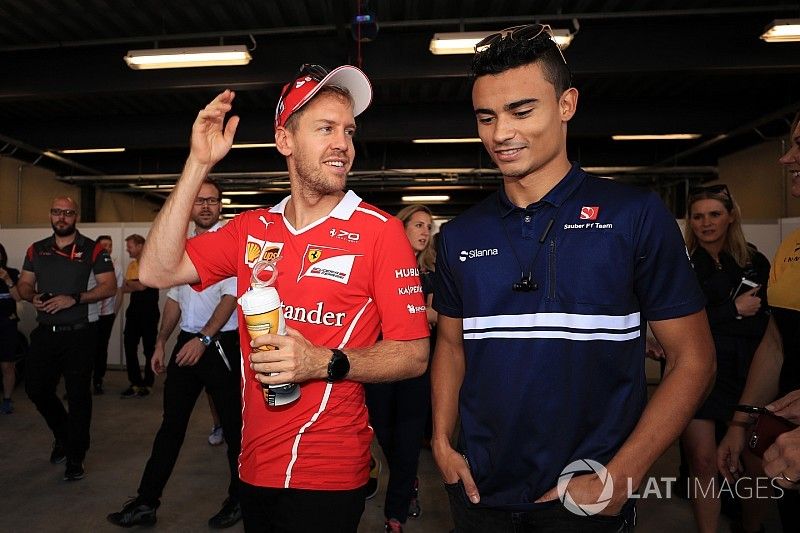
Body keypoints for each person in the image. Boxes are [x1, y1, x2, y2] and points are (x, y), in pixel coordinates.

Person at [431, 25, 716, 532]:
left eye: (522, 111)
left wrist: (621, 477)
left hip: (588, 497)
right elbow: (451, 347)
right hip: (478, 494)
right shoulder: (457, 235)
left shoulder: (635, 216)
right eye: (486, 117)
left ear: (567, 104)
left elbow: (694, 359)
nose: (501, 134)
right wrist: (440, 441)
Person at [137, 64, 429, 532]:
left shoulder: (380, 232)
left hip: (329, 471)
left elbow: (414, 355)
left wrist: (324, 362)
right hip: (253, 466)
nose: (344, 144)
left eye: (349, 131)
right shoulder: (252, 228)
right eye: (326, 128)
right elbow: (155, 269)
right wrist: (198, 163)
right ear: (286, 141)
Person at [108, 180, 243, 529]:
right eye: (200, 201)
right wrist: (160, 342)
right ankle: (146, 503)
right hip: (187, 341)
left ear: (220, 205)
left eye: (213, 201)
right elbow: (174, 298)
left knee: (235, 429)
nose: (207, 207)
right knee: (171, 426)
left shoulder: (231, 243)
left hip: (221, 344)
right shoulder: (181, 244)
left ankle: (240, 499)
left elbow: (231, 298)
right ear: (191, 205)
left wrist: (204, 339)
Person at [718, 112, 800, 531]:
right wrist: (739, 423)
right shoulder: (791, 246)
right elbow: (775, 344)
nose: (787, 159)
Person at [681, 185, 770, 533]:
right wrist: (733, 310)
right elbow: (682, 323)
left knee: (752, 460)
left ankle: (753, 528)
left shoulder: (754, 261)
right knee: (701, 461)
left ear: (730, 216)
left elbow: (763, 324)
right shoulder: (681, 265)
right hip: (698, 371)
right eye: (698, 216)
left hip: (748, 373)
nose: (706, 223)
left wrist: (716, 315)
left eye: (714, 214)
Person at [15, 196, 116, 481]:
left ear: (76, 216)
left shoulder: (93, 249)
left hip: (79, 335)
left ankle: (75, 456)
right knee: (35, 388)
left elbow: (109, 287)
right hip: (45, 333)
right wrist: (31, 295)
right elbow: (24, 283)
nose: (62, 217)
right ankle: (64, 435)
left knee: (78, 396)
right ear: (51, 214)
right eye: (57, 212)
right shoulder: (36, 250)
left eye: (68, 213)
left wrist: (74, 298)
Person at [364, 204, 436, 532]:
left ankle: (395, 517)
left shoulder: (431, 276)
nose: (425, 232)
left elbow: (438, 317)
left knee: (408, 441)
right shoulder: (376, 269)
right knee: (386, 434)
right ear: (400, 228)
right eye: (418, 225)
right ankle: (408, 484)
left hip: (416, 368)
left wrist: (410, 310)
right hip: (379, 365)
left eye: (429, 226)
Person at [121, 233, 159, 398]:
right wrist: (133, 284)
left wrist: (132, 284)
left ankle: (148, 384)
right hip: (134, 313)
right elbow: (125, 288)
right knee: (129, 347)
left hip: (149, 313)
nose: (127, 250)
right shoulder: (131, 265)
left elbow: (142, 286)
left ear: (139, 246)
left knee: (149, 349)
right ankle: (135, 383)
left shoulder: (151, 263)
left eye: (129, 246)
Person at [92, 235, 123, 395]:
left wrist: (114, 314)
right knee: (85, 348)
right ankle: (81, 382)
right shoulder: (89, 264)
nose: (108, 248)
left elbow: (119, 292)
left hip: (106, 315)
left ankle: (98, 381)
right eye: (104, 245)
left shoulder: (116, 267)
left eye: (110, 245)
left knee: (101, 348)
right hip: (89, 315)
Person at [0, 243, 22, 414]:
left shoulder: (12, 273)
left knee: (7, 365)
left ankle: (7, 400)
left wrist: (7, 280)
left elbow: (19, 297)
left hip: (7, 325)